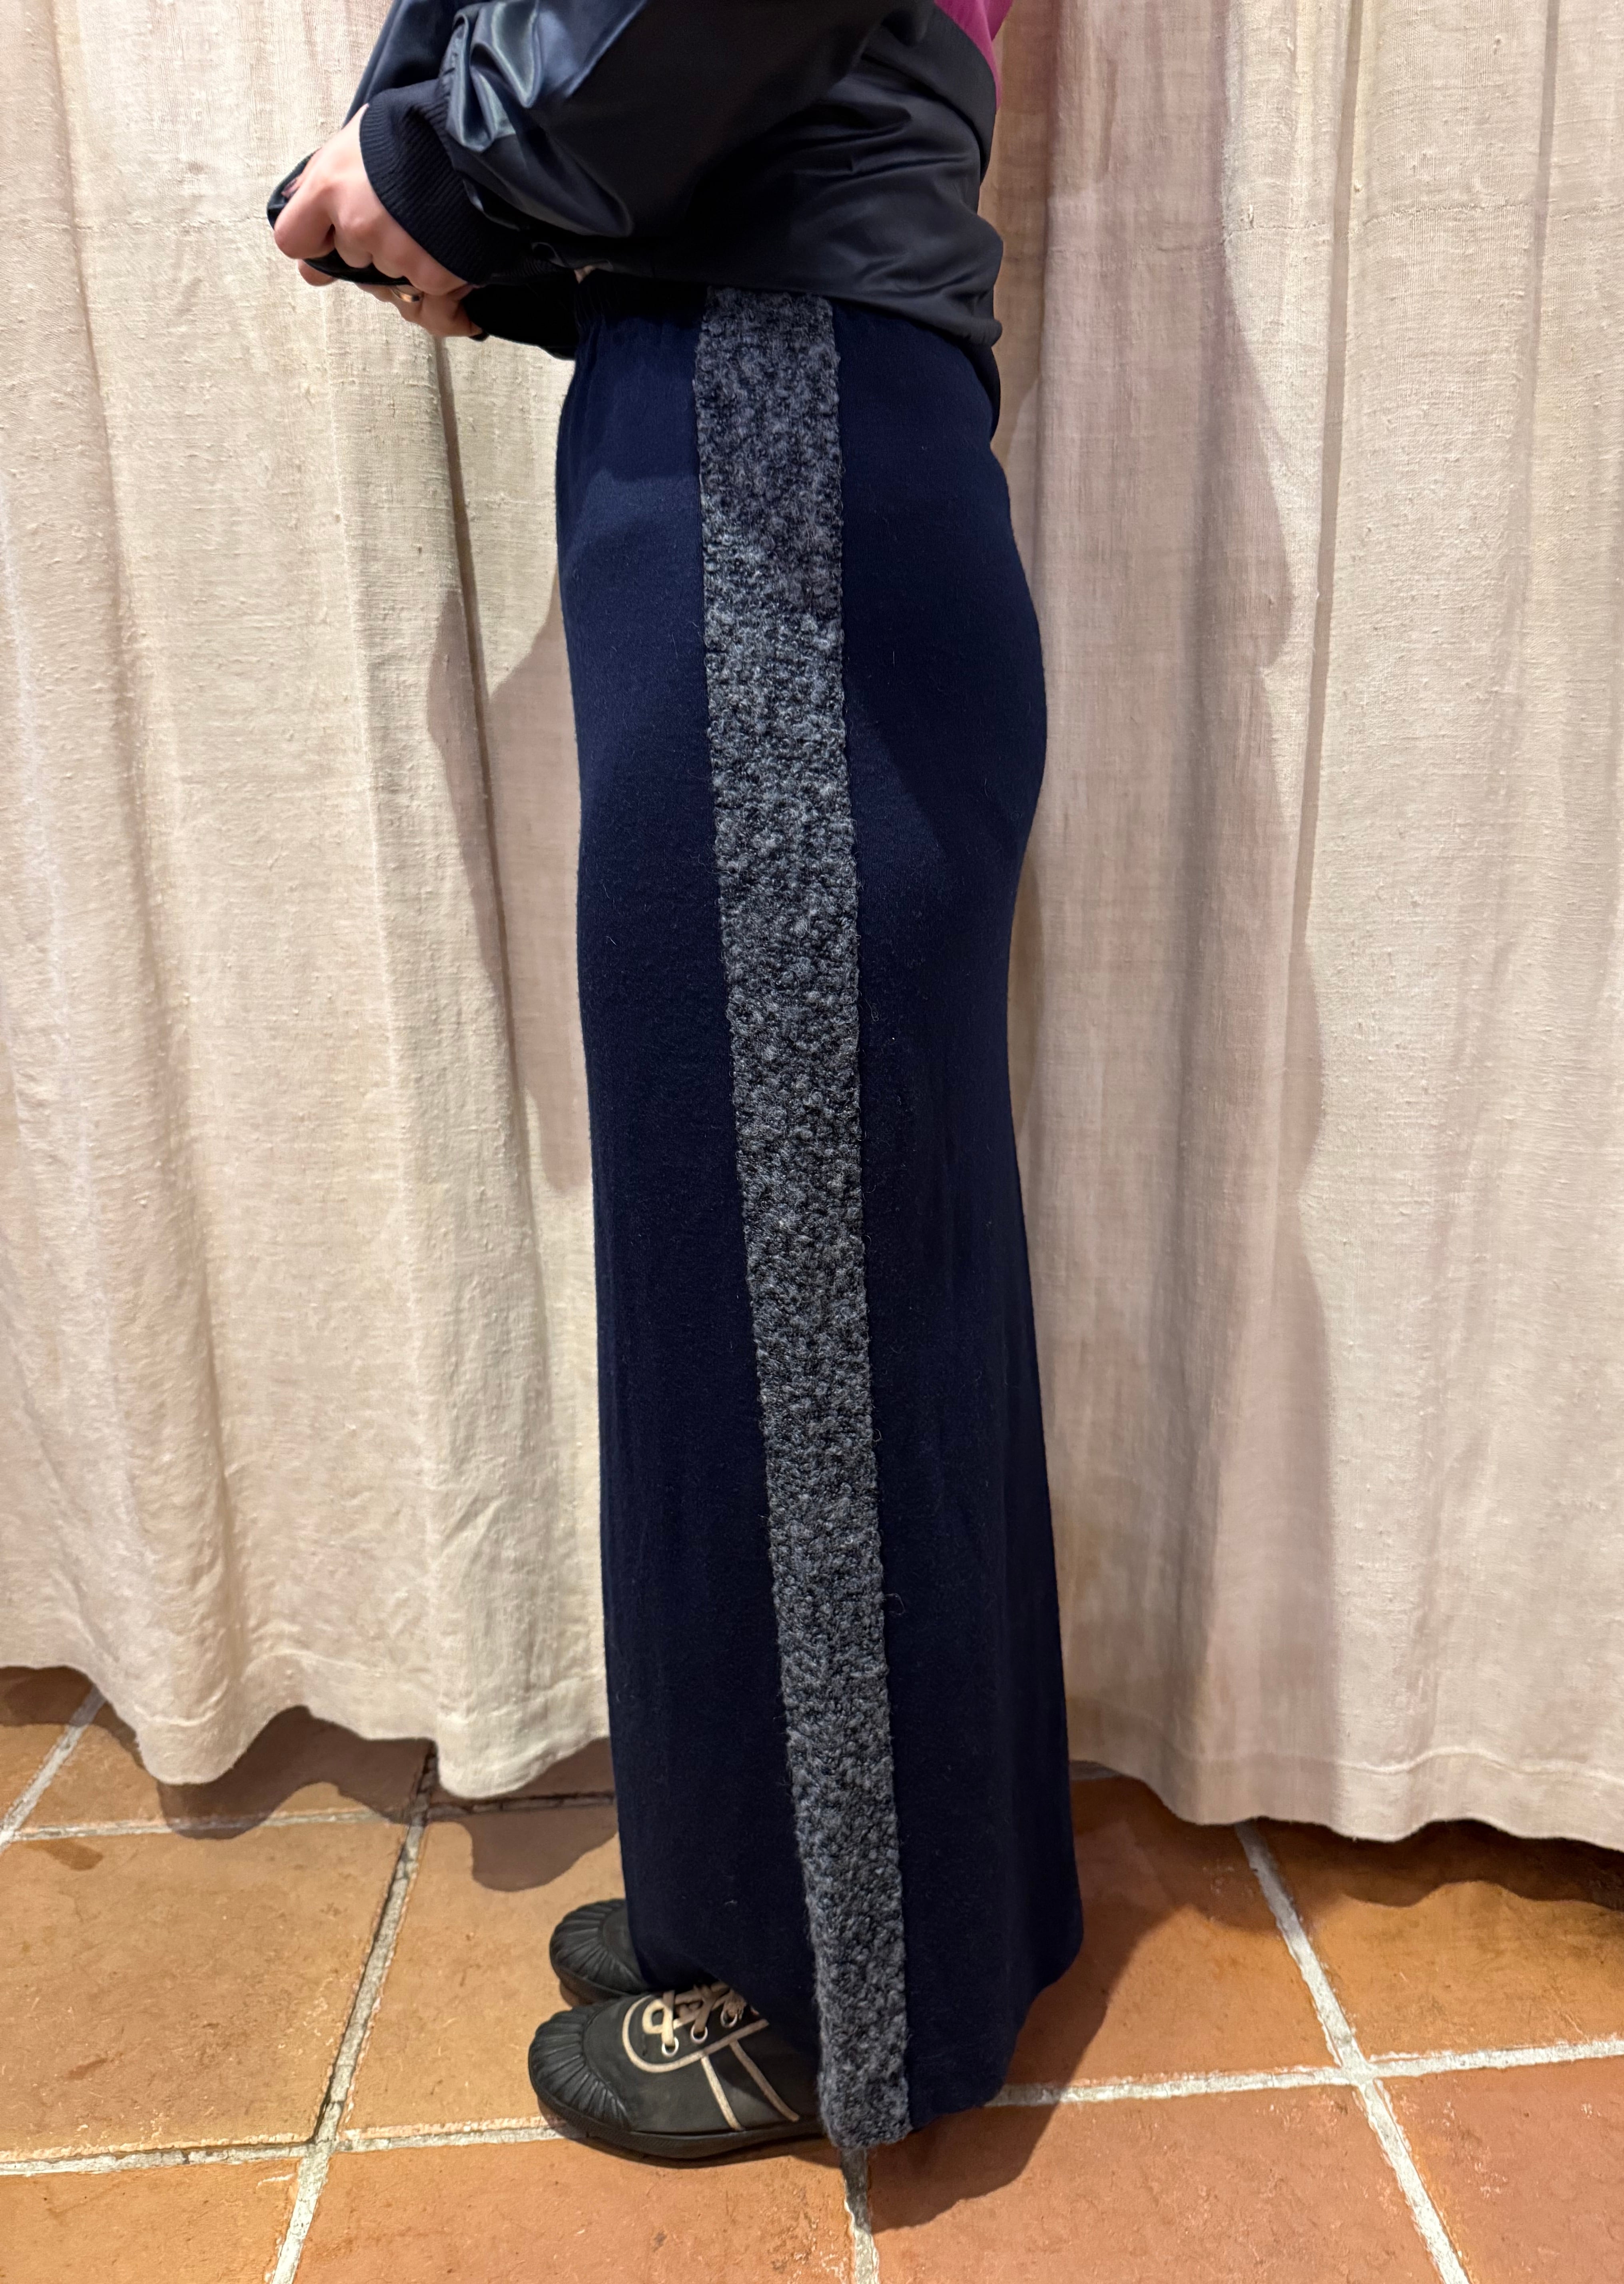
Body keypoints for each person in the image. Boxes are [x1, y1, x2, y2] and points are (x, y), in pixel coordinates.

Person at [272, 0, 1081, 2163]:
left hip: (778, 435)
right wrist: (486, 213)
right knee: (790, 1231)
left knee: (799, 1268)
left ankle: (838, 2000)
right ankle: (803, 1888)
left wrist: (426, 168)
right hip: (772, 410)